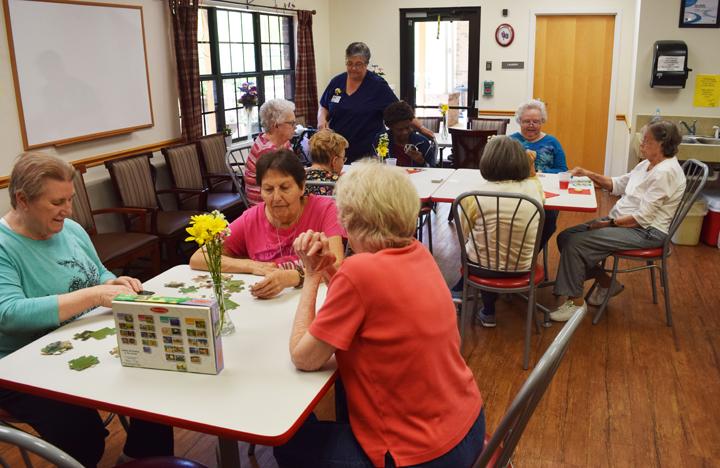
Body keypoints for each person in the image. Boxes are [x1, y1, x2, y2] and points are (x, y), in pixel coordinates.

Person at [274, 161, 484, 467]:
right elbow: (369, 298)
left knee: (289, 442)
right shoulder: (417, 253)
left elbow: (303, 358)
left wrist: (311, 273)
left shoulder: (360, 272)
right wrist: (329, 267)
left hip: (423, 454)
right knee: (348, 385)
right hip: (467, 426)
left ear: (347, 219)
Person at [0, 153, 173, 467]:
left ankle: (137, 458)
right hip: (21, 367)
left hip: (81, 339)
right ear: (23, 200)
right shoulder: (3, 245)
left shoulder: (70, 229)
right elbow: (10, 315)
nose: (67, 210)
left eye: (71, 199)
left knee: (156, 380)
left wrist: (115, 282)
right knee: (82, 436)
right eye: (57, 203)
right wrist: (95, 295)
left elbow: (99, 274)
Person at [549, 120, 686, 322]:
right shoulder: (647, 164)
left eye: (646, 141)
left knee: (576, 244)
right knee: (566, 236)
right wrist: (587, 173)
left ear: (662, 144)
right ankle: (606, 283)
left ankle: (575, 304)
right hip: (624, 221)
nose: (641, 145)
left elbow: (643, 218)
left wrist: (607, 224)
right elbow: (617, 184)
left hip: (646, 232)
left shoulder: (665, 173)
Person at [190, 149, 345, 299]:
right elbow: (199, 258)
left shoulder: (324, 209)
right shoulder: (250, 219)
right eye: (268, 189)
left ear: (302, 186)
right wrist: (251, 265)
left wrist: (294, 276)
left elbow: (337, 265)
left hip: (314, 300)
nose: (276, 197)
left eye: (285, 188)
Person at [458, 136, 545, 328]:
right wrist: (531, 166)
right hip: (523, 268)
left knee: (481, 246)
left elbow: (464, 233)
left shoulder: (472, 195)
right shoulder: (534, 189)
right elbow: (534, 179)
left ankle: (488, 311)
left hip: (480, 268)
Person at [318, 42, 434, 162]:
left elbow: (400, 111)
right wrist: (321, 120)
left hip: (367, 151)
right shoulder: (337, 82)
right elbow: (323, 105)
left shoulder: (377, 85)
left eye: (358, 64)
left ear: (366, 64)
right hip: (338, 150)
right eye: (349, 63)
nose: (353, 68)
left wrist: (421, 128)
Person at [510, 99, 568, 245]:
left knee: (548, 223)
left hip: (545, 193)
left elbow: (562, 170)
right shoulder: (510, 141)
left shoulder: (552, 142)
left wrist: (540, 172)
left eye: (536, 121)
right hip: (515, 191)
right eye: (526, 121)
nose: (531, 125)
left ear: (542, 122)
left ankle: (530, 256)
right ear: (519, 121)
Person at [244, 98, 296, 206]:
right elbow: (282, 183)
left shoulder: (283, 142)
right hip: (265, 205)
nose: (295, 127)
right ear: (276, 125)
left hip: (277, 196)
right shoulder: (267, 151)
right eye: (291, 123)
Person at [373, 101, 437, 167]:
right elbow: (374, 167)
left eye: (408, 127)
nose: (405, 132)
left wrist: (421, 161)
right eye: (400, 129)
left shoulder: (422, 143)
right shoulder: (381, 140)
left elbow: (433, 170)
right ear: (390, 127)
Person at [305, 129, 347, 196]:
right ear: (334, 161)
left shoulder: (300, 178)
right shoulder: (339, 184)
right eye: (343, 159)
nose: (343, 162)